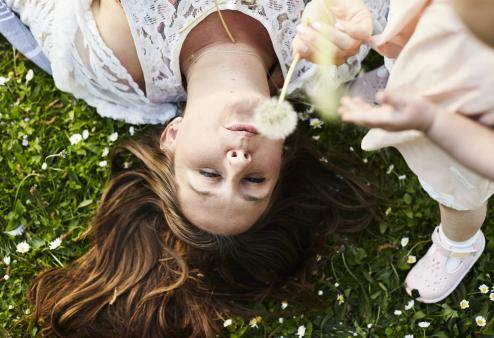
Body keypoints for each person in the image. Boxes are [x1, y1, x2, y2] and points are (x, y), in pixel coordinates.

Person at [2, 0, 388, 336]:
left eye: (209, 175)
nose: (237, 162)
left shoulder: (111, 56)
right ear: (281, 153)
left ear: (172, 136)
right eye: (254, 181)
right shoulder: (329, 58)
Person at [336, 0, 494, 304]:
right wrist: (382, 39)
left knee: (456, 193)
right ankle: (399, 71)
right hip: (434, 46)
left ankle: (458, 243)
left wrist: (432, 121)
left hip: (463, 124)